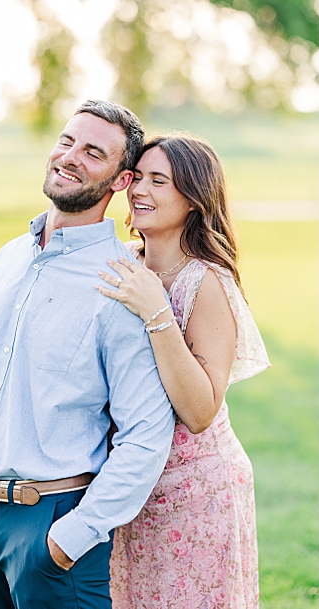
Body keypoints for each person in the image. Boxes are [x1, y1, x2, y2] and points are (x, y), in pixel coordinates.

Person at [0, 100, 176, 609]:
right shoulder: (9, 257)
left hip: (52, 524)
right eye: (67, 141)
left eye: (93, 152)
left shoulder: (122, 284)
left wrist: (73, 537)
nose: (70, 157)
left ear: (120, 181)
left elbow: (147, 433)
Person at [96, 134, 270, 608]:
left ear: (193, 200)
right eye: (137, 178)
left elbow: (199, 411)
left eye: (159, 181)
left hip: (194, 493)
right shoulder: (121, 264)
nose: (139, 192)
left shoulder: (206, 282)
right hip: (126, 485)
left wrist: (158, 313)